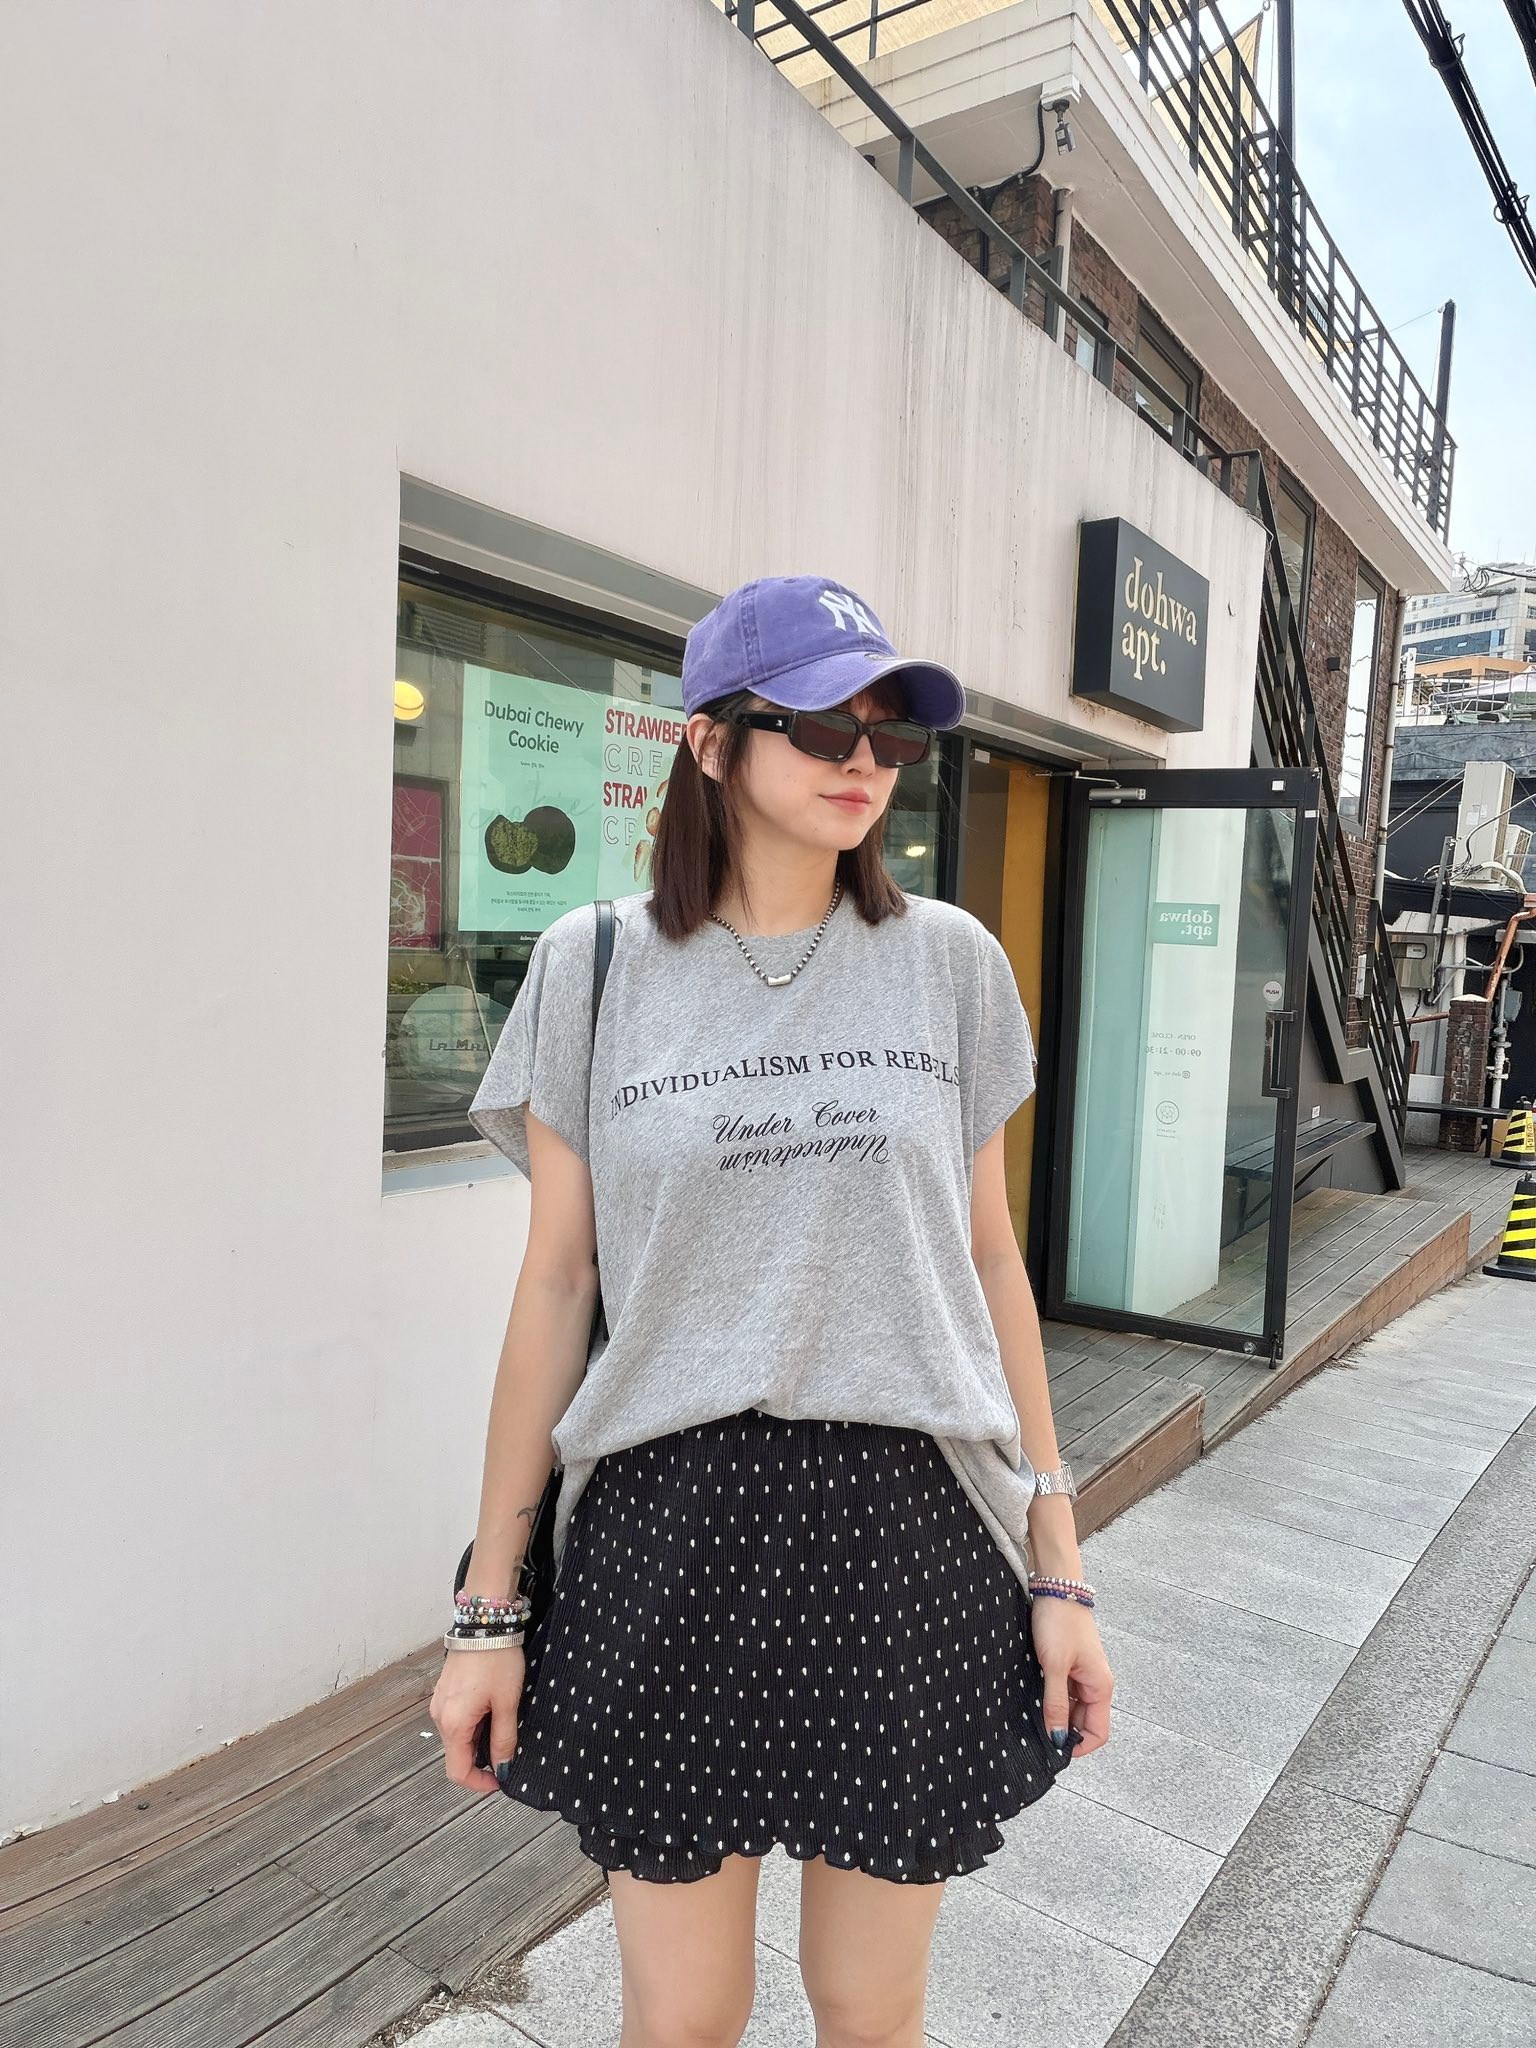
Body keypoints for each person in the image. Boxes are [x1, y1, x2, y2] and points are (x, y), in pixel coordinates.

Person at [430, 575, 1115, 2047]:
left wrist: (1059, 1568)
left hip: (905, 1530)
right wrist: (488, 1609)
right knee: (684, 2015)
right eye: (818, 725)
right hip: (668, 1529)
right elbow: (556, 1286)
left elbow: (991, 1264)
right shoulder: (592, 966)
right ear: (709, 741)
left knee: (871, 2007)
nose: (865, 760)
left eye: (894, 733)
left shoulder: (950, 963)